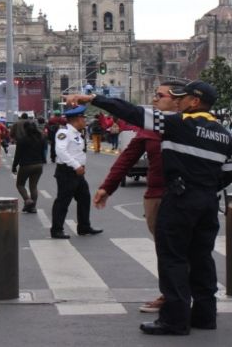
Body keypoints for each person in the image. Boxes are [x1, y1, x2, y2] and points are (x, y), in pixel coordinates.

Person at [67, 80, 232, 336]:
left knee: (173, 258)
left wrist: (93, 99)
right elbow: (231, 172)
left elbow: (132, 113)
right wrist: (205, 187)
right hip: (207, 202)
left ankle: (174, 320)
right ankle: (204, 315)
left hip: (180, 199)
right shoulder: (224, 134)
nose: (177, 101)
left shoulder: (176, 124)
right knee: (201, 258)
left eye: (183, 98)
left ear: (194, 102)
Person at [94, 81, 183, 314]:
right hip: (157, 195)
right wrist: (107, 187)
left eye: (159, 95)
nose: (153, 99)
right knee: (165, 249)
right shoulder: (150, 127)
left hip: (189, 196)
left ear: (178, 101)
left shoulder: (193, 125)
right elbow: (128, 157)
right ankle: (170, 295)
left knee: (189, 249)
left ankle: (190, 299)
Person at [50, 105, 102, 239]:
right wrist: (76, 165)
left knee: (84, 198)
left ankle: (84, 227)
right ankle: (57, 229)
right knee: (63, 201)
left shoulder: (78, 133)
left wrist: (80, 167)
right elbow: (61, 151)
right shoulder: (64, 133)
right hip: (67, 171)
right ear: (76, 120)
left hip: (78, 172)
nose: (85, 121)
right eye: (83, 118)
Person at [11, 120, 46, 213]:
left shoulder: (22, 140)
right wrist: (42, 161)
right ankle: (32, 207)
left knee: (20, 184)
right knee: (33, 186)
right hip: (38, 165)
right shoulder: (41, 138)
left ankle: (27, 200)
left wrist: (14, 166)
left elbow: (17, 155)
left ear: (25, 129)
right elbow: (43, 153)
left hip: (26, 165)